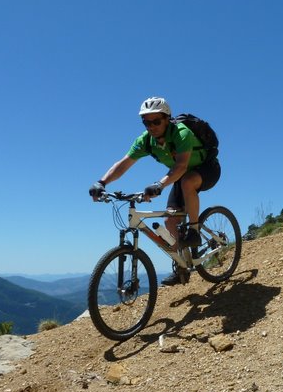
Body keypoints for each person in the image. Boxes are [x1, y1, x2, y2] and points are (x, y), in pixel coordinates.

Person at [89, 96, 221, 286]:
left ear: (167, 118)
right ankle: (181, 266)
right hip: (178, 177)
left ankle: (194, 230)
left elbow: (182, 166)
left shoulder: (181, 133)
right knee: (169, 221)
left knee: (187, 181)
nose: (151, 126)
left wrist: (160, 184)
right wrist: (101, 182)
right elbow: (123, 164)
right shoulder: (146, 141)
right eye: (146, 122)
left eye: (156, 121)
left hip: (207, 169)